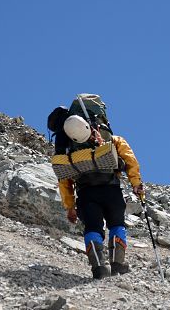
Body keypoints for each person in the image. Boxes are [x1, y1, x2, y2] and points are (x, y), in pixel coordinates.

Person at [55, 98, 144, 279]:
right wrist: (136, 184)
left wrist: (70, 206)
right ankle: (117, 265)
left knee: (93, 227)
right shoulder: (113, 139)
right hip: (111, 189)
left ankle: (98, 269)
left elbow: (64, 178)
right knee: (117, 224)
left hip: (86, 193)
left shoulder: (68, 149)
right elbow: (130, 161)